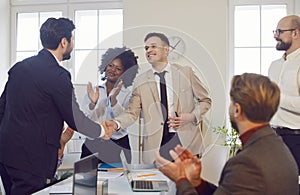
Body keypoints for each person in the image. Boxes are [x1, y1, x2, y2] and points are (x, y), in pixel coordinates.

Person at [0, 17, 114, 195]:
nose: (72, 44)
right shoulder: (58, 75)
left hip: (6, 155)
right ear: (63, 42)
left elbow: (2, 108)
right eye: (72, 40)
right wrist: (101, 131)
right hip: (31, 160)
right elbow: (75, 118)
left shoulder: (19, 67)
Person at [156, 73, 299, 194]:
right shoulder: (276, 146)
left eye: (231, 103)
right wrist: (198, 183)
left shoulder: (246, 163)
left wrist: (181, 180)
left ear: (237, 110)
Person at [106, 32, 211, 163]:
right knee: (158, 183)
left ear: (166, 50)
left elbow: (205, 101)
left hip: (187, 143)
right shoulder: (140, 81)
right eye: (146, 48)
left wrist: (191, 116)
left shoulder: (186, 73)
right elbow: (131, 113)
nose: (149, 50)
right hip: (156, 147)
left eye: (153, 46)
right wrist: (116, 124)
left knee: (189, 183)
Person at [80, 47, 139, 164]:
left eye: (118, 68)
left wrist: (113, 102)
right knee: (87, 180)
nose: (112, 70)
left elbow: (126, 119)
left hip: (118, 145)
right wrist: (93, 104)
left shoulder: (129, 94)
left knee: (120, 180)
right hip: (92, 144)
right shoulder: (94, 90)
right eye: (110, 65)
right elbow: (84, 119)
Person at [268, 15, 300, 175]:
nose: (275, 35)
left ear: (295, 33)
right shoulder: (274, 66)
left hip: (296, 140)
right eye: (275, 31)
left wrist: (276, 97)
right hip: (273, 137)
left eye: (279, 31)